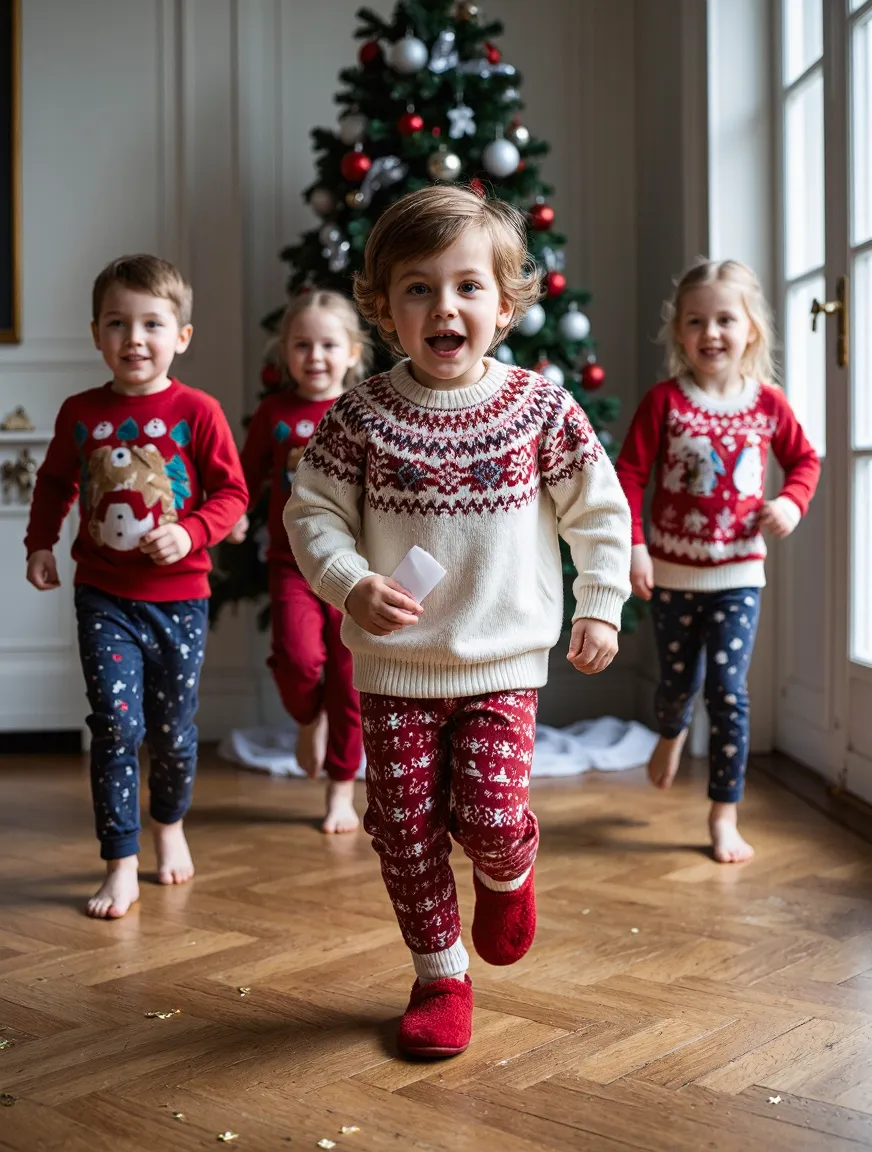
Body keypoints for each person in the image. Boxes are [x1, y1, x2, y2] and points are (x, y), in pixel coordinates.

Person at [284, 185, 631, 1058]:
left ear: (505, 306)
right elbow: (310, 513)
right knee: (402, 827)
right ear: (384, 310)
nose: (445, 307)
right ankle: (440, 975)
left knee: (489, 814)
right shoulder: (360, 417)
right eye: (419, 289)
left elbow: (599, 513)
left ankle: (509, 870)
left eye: (468, 287)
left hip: (500, 661)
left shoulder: (541, 410)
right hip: (394, 666)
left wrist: (600, 604)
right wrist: (349, 581)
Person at [24, 255, 248, 918]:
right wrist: (40, 543)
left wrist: (193, 532)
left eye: (152, 323)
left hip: (180, 600)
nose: (135, 338)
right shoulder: (81, 412)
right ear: (97, 334)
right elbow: (54, 483)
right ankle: (119, 860)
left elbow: (232, 493)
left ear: (182, 335)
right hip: (103, 595)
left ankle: (169, 824)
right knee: (116, 725)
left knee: (172, 732)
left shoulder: (197, 411)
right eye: (118, 323)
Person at [615, 258, 820, 863]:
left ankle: (723, 812)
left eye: (725, 320)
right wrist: (636, 546)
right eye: (695, 321)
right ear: (677, 331)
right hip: (674, 574)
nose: (711, 333)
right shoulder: (664, 402)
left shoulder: (768, 405)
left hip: (738, 576)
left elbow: (804, 460)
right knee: (677, 685)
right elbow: (629, 475)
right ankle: (671, 731)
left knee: (728, 693)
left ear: (750, 328)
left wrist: (791, 502)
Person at [229, 291, 370, 833]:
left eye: (328, 345)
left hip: (354, 568)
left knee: (348, 677)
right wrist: (235, 513)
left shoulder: (362, 410)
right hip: (291, 563)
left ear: (352, 352)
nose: (315, 356)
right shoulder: (275, 414)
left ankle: (340, 790)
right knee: (298, 659)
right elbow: (245, 475)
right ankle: (310, 718)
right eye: (302, 345)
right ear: (284, 352)